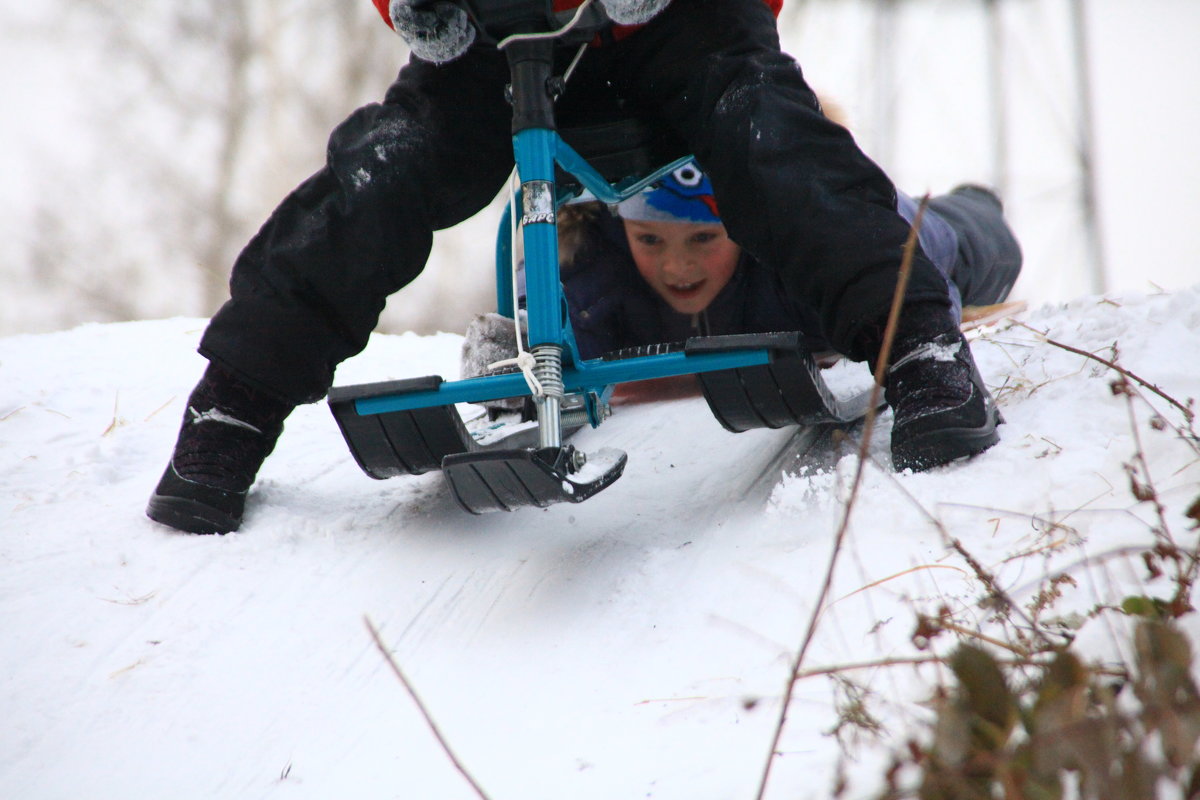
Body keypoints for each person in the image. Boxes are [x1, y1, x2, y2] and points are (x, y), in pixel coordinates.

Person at [147, 0, 1017, 535]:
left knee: (769, 137)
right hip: (500, 36)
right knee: (388, 167)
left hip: (684, 25)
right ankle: (235, 406)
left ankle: (920, 351)